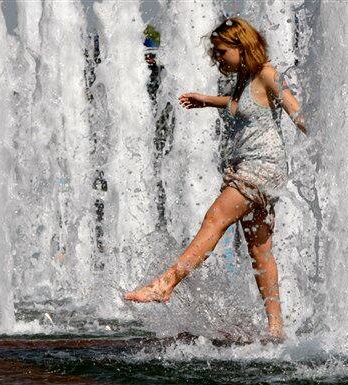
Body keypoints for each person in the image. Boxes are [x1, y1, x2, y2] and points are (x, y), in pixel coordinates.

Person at [125, 17, 307, 342]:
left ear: (241, 46)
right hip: (252, 167)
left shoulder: (266, 73)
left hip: (260, 168)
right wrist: (208, 100)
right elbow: (242, 106)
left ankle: (165, 284)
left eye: (222, 52)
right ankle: (276, 329)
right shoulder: (245, 78)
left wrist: (323, 133)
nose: (218, 58)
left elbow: (295, 109)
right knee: (260, 249)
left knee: (214, 219)